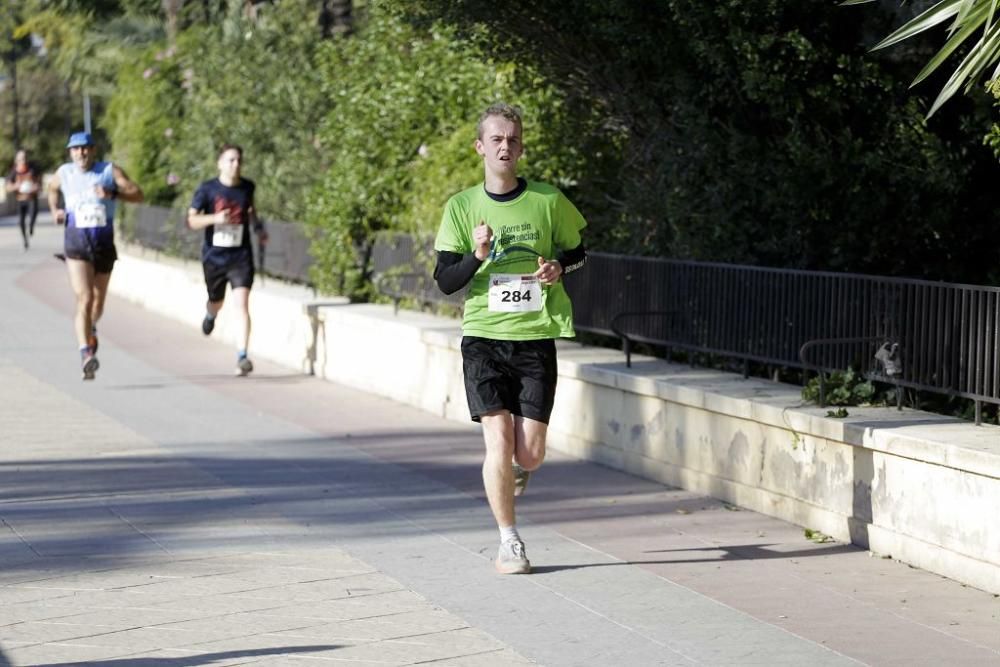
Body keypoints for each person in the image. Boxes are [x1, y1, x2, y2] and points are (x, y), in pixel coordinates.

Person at [434, 102, 588, 575]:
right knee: (498, 442)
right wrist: (478, 255)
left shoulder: (547, 201)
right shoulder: (461, 207)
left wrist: (559, 267)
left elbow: (579, 253)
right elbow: (444, 280)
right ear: (480, 146)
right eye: (497, 139)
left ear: (521, 147)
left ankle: (518, 472)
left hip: (535, 336)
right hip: (482, 336)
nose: (506, 146)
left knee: (531, 453)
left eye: (513, 139)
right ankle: (509, 542)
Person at [47, 132, 144, 380]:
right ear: (70, 153)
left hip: (102, 243)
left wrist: (113, 194)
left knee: (98, 302)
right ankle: (86, 353)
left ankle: (90, 330)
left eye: (85, 148)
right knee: (85, 297)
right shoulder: (65, 173)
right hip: (76, 242)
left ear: (94, 150)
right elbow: (52, 189)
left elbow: (138, 194)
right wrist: (55, 209)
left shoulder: (109, 171)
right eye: (76, 149)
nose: (81, 153)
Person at [187, 144, 268, 376]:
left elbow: (250, 210)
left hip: (240, 256)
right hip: (214, 257)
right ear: (220, 163)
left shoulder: (247, 187)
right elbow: (192, 221)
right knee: (217, 301)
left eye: (239, 160)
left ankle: (242, 356)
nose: (236, 165)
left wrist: (259, 229)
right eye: (231, 160)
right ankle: (211, 314)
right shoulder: (208, 189)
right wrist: (215, 218)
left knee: (242, 304)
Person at [6, 149, 41, 250]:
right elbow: (8, 187)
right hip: (20, 199)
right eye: (20, 159)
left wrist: (36, 187)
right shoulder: (14, 172)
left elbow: (39, 184)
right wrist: (15, 186)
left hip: (31, 198)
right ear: (16, 160)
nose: (23, 160)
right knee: (21, 222)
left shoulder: (32, 170)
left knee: (33, 215)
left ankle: (31, 227)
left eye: (24, 158)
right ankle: (25, 240)